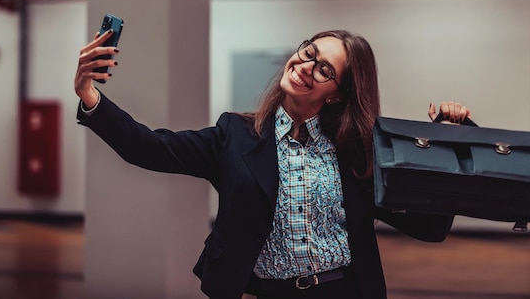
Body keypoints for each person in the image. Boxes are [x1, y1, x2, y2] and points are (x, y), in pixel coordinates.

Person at [75, 29, 472, 299]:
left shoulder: (358, 150)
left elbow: (429, 226)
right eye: (309, 52)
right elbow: (149, 148)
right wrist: (90, 95)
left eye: (324, 69)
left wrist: (447, 143)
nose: (304, 66)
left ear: (337, 95)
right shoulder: (235, 135)